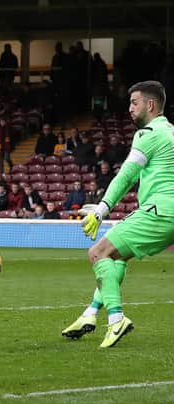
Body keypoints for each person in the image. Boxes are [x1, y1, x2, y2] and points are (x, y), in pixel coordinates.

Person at [62, 80, 174, 348]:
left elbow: (126, 175)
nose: (130, 109)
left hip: (159, 210)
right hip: (167, 212)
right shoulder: (170, 131)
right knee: (118, 258)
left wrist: (101, 210)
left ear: (150, 104)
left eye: (134, 103)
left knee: (98, 253)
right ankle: (89, 314)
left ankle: (116, 319)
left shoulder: (149, 133)